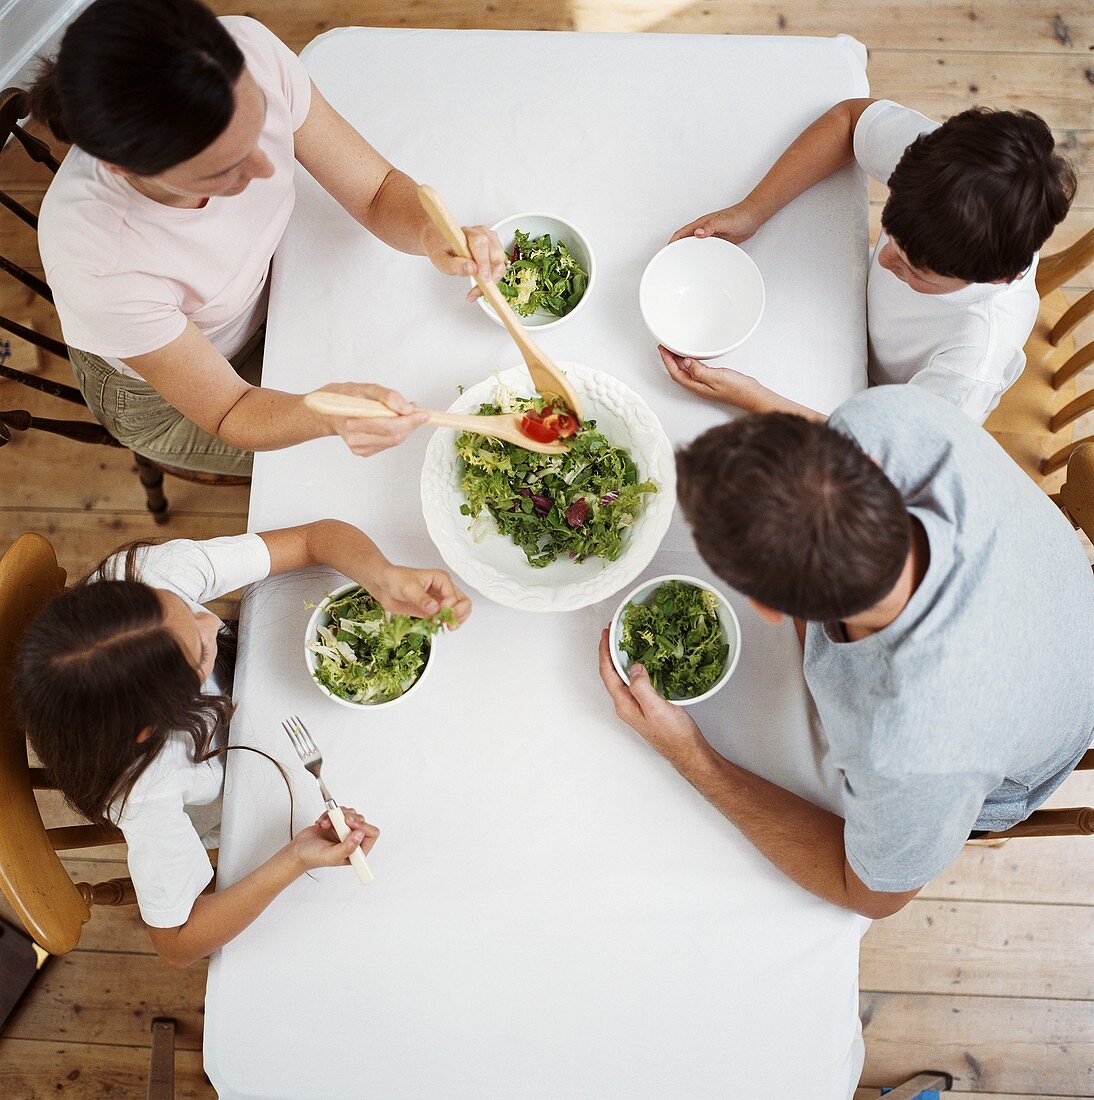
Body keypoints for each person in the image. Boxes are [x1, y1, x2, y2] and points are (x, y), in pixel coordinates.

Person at [598, 385, 1094, 919]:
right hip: (1060, 597)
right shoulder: (890, 417)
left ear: (766, 608)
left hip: (1033, 743)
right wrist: (755, 398)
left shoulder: (911, 752)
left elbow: (871, 896)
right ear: (868, 461)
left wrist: (691, 756)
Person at [32, 0, 506, 476]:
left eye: (259, 128)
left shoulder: (252, 51)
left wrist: (431, 232)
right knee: (343, 469)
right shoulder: (98, 263)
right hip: (171, 397)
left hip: (264, 299)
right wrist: (322, 414)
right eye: (222, 170)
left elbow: (377, 191)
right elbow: (230, 408)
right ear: (123, 166)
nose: (266, 169)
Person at [12, 521, 471, 967]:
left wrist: (383, 577)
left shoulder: (146, 575)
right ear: (150, 727)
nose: (212, 620)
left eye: (183, 604)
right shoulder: (146, 793)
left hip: (269, 708)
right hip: (243, 799)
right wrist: (293, 859)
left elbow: (313, 538)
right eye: (200, 650)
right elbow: (177, 945)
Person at [665, 100, 1077, 424]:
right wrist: (753, 210)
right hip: (848, 320)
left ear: (995, 278)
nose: (883, 261)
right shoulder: (938, 168)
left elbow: (888, 460)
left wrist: (753, 398)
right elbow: (850, 120)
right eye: (891, 238)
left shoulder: (972, 362)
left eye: (914, 272)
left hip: (885, 405)